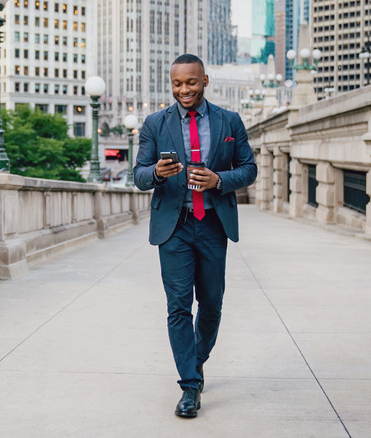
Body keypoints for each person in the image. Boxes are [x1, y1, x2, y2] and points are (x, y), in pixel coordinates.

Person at [133, 54, 257, 418]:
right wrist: (155, 171)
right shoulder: (155, 123)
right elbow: (138, 175)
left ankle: (196, 360)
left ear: (205, 80)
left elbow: (249, 169)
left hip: (213, 223)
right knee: (178, 306)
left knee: (213, 303)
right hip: (174, 225)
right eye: (176, 84)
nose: (183, 90)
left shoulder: (229, 121)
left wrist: (220, 180)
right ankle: (189, 386)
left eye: (190, 82)